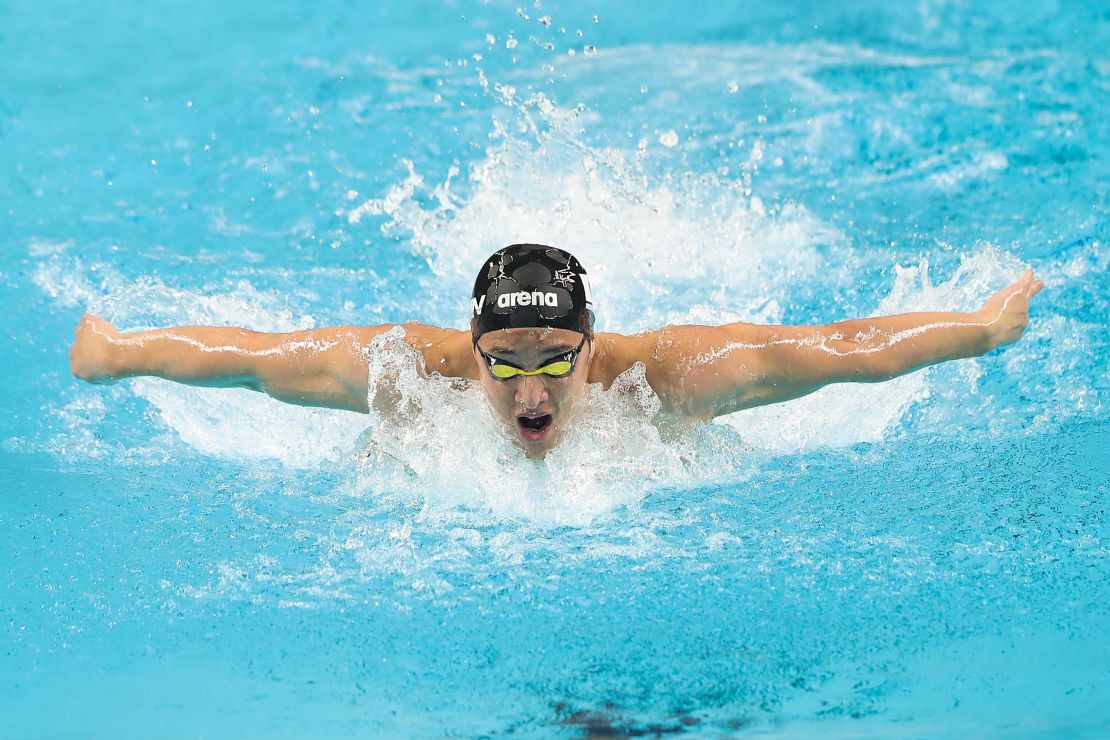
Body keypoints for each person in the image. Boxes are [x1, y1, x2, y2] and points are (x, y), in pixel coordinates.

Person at [69, 243, 1044, 458]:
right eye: (507, 359)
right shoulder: (406, 370)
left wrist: (979, 330)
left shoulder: (667, 373)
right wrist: (119, 352)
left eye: (553, 358)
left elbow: (842, 346)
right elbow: (247, 354)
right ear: (474, 346)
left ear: (588, 345)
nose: (529, 386)